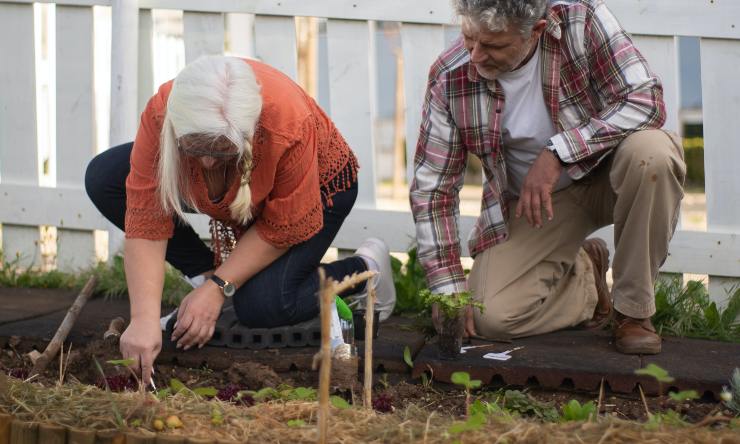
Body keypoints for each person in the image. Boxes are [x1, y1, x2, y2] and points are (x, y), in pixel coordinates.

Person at [86, 56, 396, 382]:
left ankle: (365, 270)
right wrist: (144, 319)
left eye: (220, 151)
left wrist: (222, 288)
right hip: (242, 182)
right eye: (195, 147)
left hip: (318, 190)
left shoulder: (286, 123)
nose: (205, 162)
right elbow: (147, 218)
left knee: (263, 306)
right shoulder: (165, 110)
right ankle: (205, 278)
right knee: (105, 177)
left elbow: (279, 228)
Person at [410, 0, 685, 354]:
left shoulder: (582, 21)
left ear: (535, 31)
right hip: (540, 202)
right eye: (468, 38)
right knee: (490, 318)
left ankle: (632, 313)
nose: (476, 56)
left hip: (614, 175)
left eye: (493, 45)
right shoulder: (450, 75)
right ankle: (586, 273)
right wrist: (446, 286)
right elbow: (434, 188)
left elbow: (646, 99)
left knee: (654, 155)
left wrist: (559, 152)